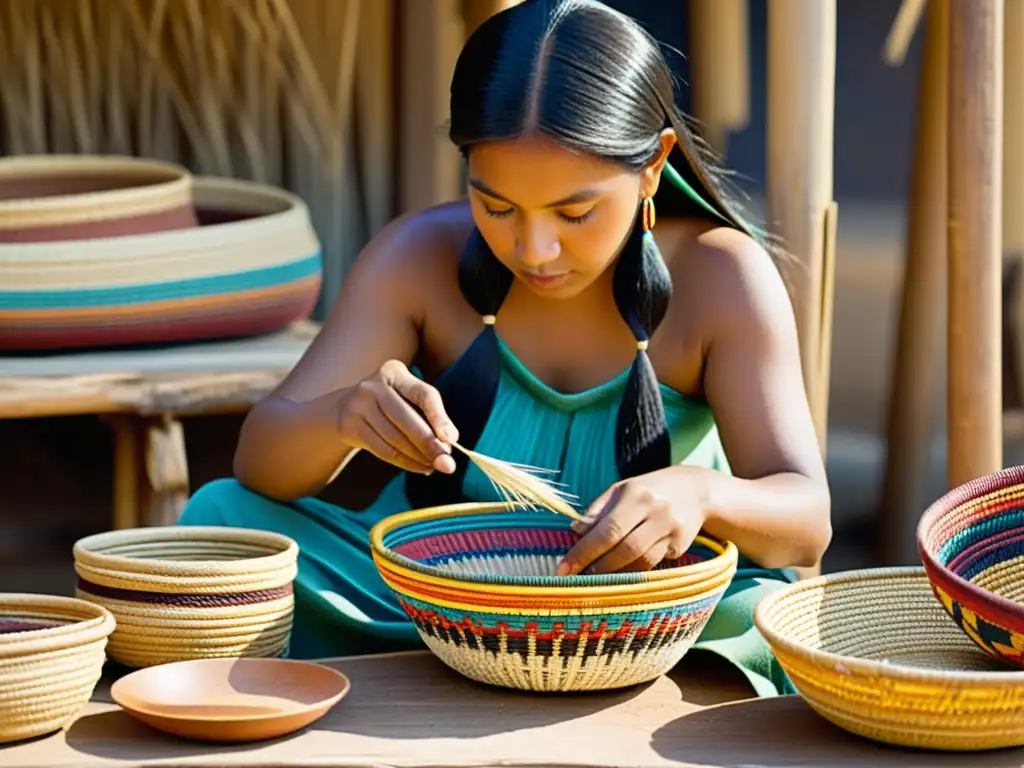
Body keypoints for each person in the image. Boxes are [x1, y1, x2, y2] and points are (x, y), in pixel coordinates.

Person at [179, 0, 831, 698]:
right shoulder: (418, 258)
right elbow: (258, 463)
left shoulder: (719, 276)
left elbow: (805, 520)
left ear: (652, 166)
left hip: (646, 607)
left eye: (574, 212)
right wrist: (342, 416)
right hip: (438, 599)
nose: (534, 249)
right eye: (496, 206)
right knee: (221, 520)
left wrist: (700, 493)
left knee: (762, 611)